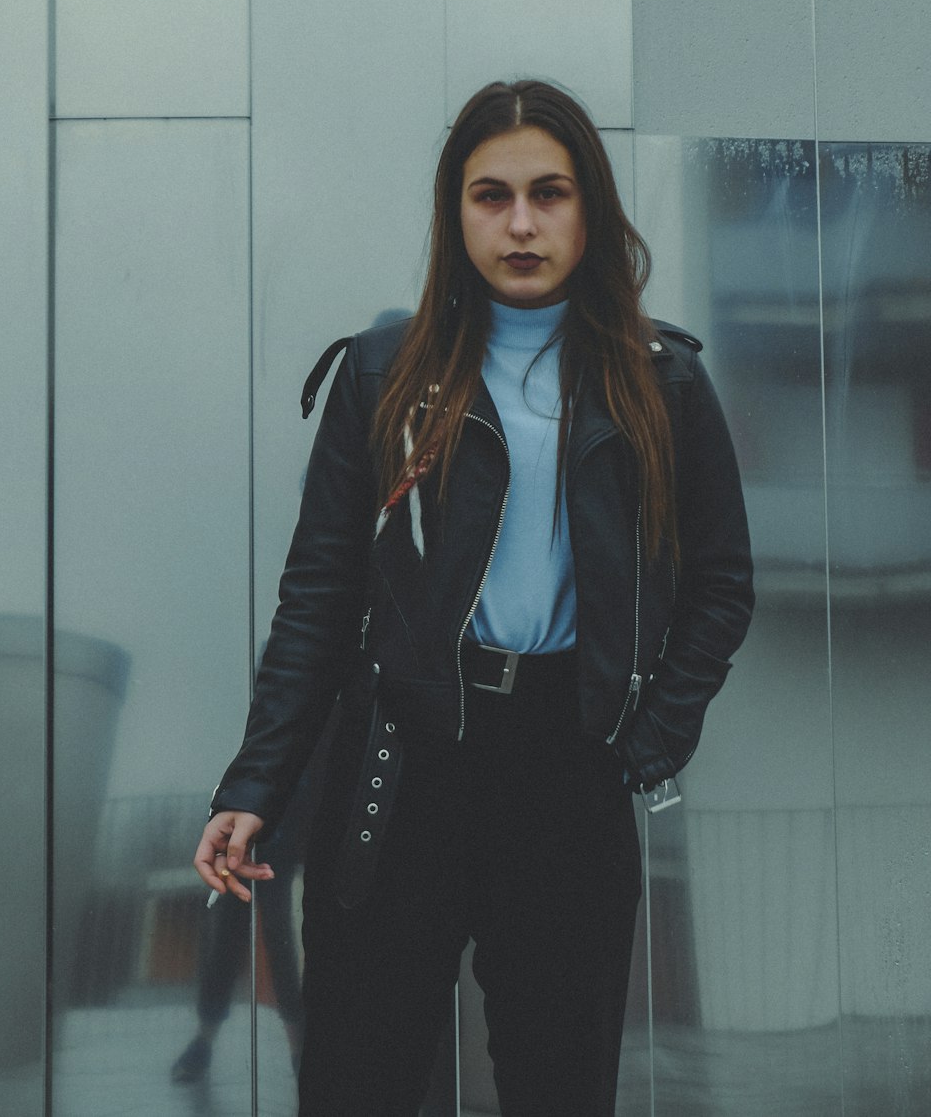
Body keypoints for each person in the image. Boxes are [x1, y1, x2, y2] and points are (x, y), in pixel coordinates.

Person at [194, 79, 754, 1116]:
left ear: (591, 207)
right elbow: (318, 595)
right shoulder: (384, 374)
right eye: (490, 196)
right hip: (400, 769)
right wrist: (254, 785)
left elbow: (722, 584)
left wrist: (648, 739)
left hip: (567, 770)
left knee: (558, 1085)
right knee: (359, 1079)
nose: (523, 222)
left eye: (550, 192)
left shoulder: (661, 380)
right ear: (456, 216)